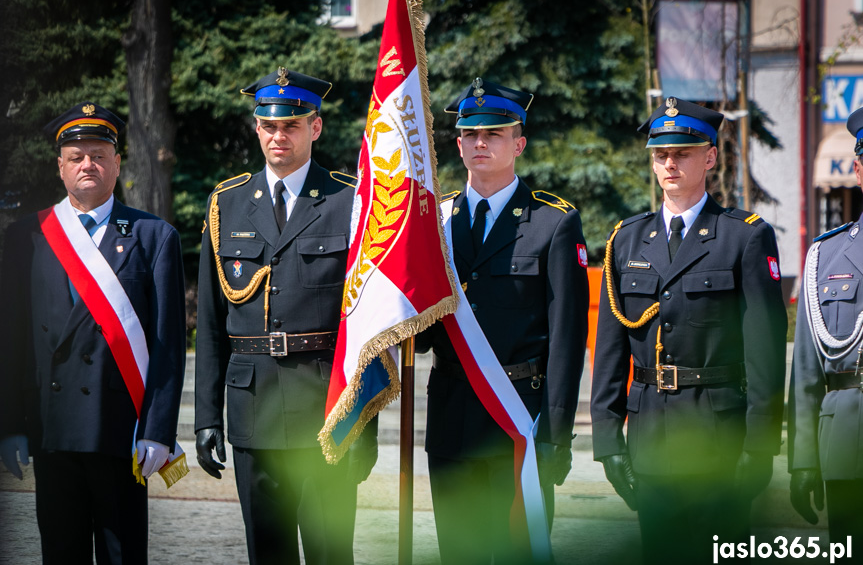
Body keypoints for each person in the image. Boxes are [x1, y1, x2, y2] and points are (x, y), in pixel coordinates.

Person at [590, 97, 788, 564]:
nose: (670, 163)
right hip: (649, 439)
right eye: (661, 154)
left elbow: (765, 352)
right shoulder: (627, 239)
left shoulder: (744, 236)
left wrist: (758, 450)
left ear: (710, 157)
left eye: (682, 152)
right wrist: (607, 442)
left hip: (720, 437)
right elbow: (610, 350)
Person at [194, 67, 378, 565]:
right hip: (252, 406)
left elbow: (367, 326)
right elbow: (211, 326)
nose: (279, 136)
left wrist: (364, 424)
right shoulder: (226, 204)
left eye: (292, 125)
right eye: (269, 126)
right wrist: (206, 417)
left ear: (314, 128)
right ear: (257, 128)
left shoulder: (351, 200)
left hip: (327, 409)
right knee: (267, 555)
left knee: (330, 553)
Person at [0, 102, 187, 564]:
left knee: (123, 555)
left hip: (121, 433)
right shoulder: (26, 236)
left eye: (100, 155)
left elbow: (167, 347)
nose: (89, 164)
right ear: (60, 166)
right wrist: (9, 427)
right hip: (50, 429)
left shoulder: (153, 236)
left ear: (117, 163)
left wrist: (158, 431)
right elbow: (12, 342)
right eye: (77, 156)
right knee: (60, 553)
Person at [417, 78, 590, 564]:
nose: (480, 143)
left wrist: (556, 434)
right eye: (470, 134)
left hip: (519, 419)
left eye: (493, 134)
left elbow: (567, 338)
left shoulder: (552, 223)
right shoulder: (436, 222)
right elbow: (427, 333)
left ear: (519, 143)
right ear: (457, 143)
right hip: (451, 418)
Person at [789, 106, 863, 545]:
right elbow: (806, 372)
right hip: (846, 440)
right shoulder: (826, 257)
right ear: (858, 170)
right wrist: (803, 460)